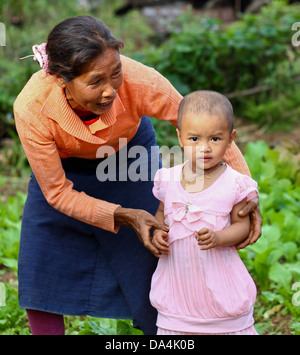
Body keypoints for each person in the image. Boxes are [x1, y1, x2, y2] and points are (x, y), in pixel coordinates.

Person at [14, 16, 261, 335]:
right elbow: (57, 192)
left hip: (129, 158)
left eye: (115, 73)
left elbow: (205, 125)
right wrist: (123, 216)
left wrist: (247, 194)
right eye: (95, 81)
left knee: (151, 257)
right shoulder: (32, 108)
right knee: (41, 269)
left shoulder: (140, 80)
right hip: (64, 173)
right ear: (63, 80)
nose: (110, 91)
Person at [150, 90, 259, 335]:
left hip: (221, 289)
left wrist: (219, 237)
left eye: (215, 139)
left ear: (231, 139)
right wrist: (158, 231)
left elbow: (242, 226)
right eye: (194, 139)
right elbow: (160, 213)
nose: (205, 148)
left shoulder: (234, 184)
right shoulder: (168, 179)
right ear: (180, 138)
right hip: (178, 292)